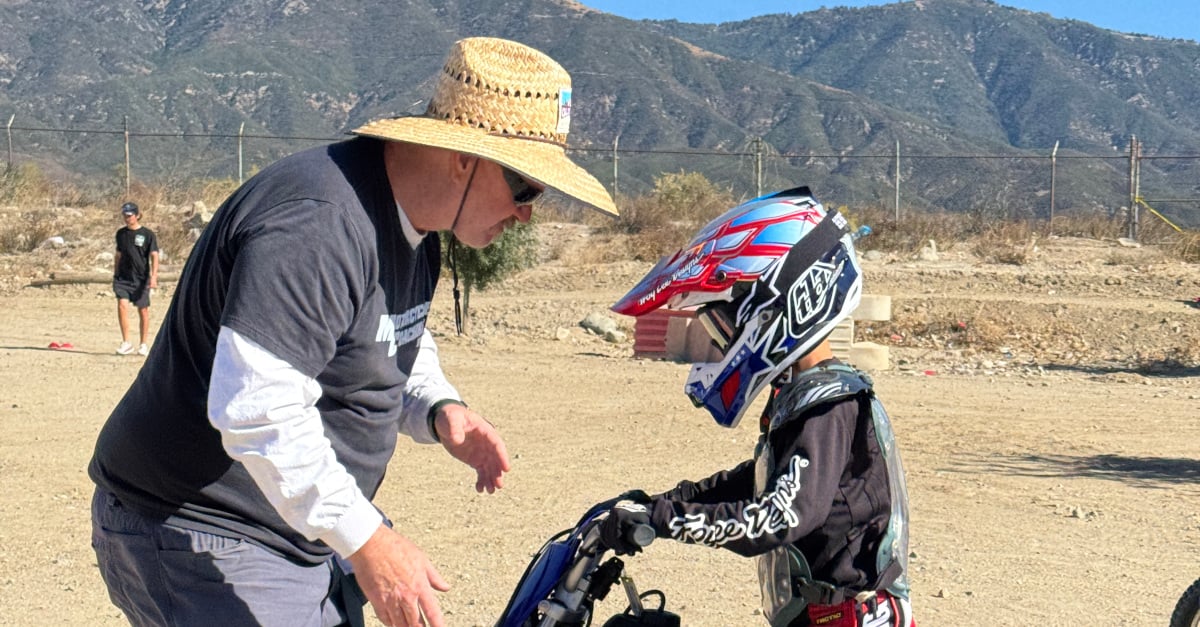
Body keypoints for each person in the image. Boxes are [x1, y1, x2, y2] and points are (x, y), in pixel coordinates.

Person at [89, 37, 618, 627]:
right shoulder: (320, 221)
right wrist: (368, 542)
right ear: (464, 158)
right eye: (525, 186)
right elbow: (256, 408)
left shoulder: (416, 228)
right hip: (203, 525)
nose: (527, 212)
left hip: (286, 529)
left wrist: (441, 409)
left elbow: (387, 336)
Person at [596, 188, 915, 627]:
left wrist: (662, 519)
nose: (723, 338)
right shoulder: (806, 394)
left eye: (725, 320)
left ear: (774, 305)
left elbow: (780, 516)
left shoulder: (829, 403)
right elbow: (763, 477)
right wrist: (662, 501)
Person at [112, 201, 159, 356]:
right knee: (122, 305)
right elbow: (118, 255)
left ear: (137, 215)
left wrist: (154, 277)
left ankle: (143, 344)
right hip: (123, 278)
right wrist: (115, 272)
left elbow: (154, 256)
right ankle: (126, 342)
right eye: (125, 215)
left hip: (141, 278)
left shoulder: (147, 234)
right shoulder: (121, 234)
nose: (127, 218)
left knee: (143, 310)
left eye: (130, 215)